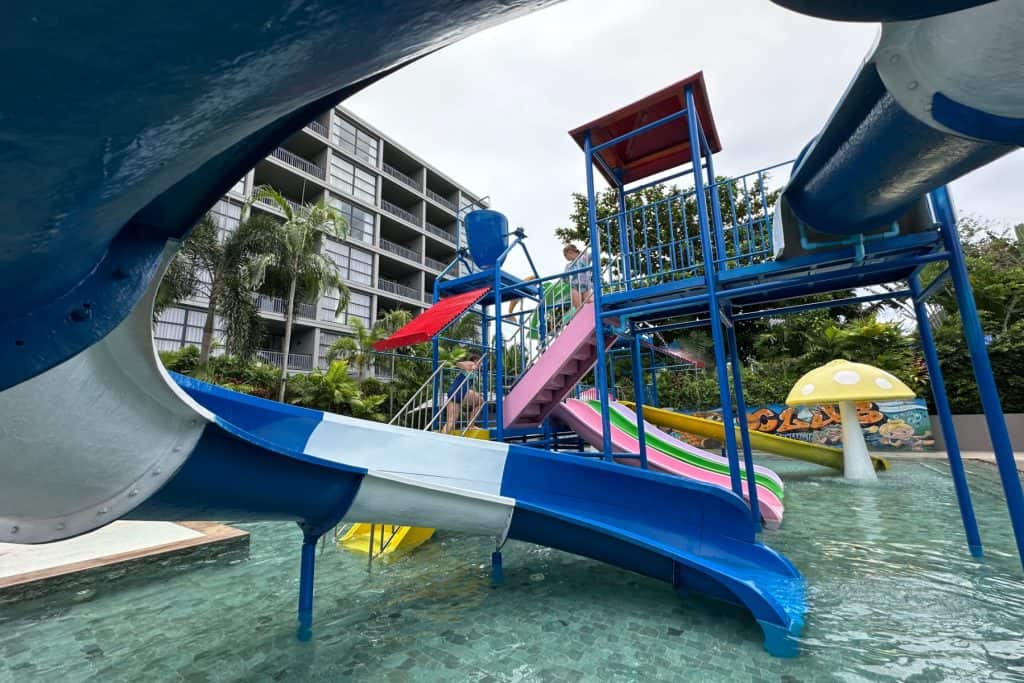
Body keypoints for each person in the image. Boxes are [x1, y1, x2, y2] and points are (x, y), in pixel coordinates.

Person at [443, 354, 483, 434]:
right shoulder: (471, 363)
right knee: (481, 401)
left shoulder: (475, 370)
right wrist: (469, 367)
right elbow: (458, 364)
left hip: (455, 391)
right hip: (459, 391)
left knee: (451, 420)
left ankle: (441, 437)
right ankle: (471, 425)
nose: (481, 364)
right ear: (476, 360)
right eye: (481, 362)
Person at [563, 243, 593, 310]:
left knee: (589, 301)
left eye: (565, 255)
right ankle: (580, 313)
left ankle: (592, 311)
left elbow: (592, 255)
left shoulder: (583, 258)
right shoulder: (568, 266)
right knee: (578, 305)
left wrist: (584, 251)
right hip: (575, 286)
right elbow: (564, 278)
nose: (565, 257)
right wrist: (567, 279)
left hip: (586, 285)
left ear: (571, 252)